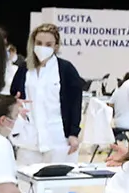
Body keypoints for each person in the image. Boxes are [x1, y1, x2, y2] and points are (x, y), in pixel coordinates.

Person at [8, 23, 84, 166]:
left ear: (56, 46)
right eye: (39, 43)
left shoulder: (66, 69)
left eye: (48, 44)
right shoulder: (24, 69)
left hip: (58, 139)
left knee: (56, 185)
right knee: (26, 186)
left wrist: (73, 133)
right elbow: (14, 97)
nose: (43, 47)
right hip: (29, 140)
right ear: (33, 43)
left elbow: (75, 103)